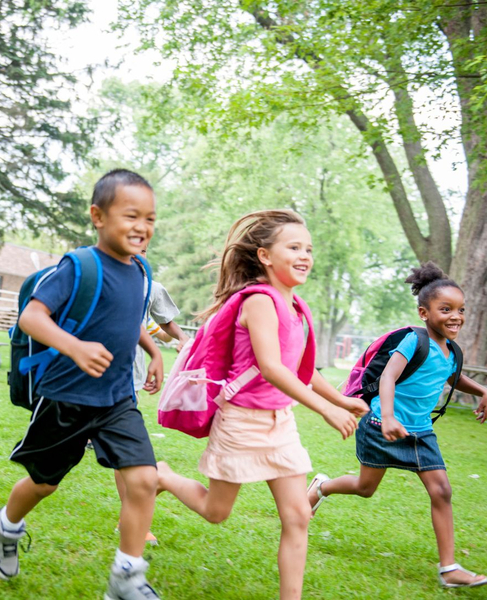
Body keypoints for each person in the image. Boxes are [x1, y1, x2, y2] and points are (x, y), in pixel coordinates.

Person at [156, 209, 368, 600]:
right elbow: (270, 368)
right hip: (241, 422)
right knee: (216, 512)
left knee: (298, 515)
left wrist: (342, 400)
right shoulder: (259, 301)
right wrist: (325, 410)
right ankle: (164, 477)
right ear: (265, 256)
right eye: (294, 247)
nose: (305, 255)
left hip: (280, 424)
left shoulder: (297, 308)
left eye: (308, 248)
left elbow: (300, 370)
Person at [0, 168, 165, 600]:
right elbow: (32, 316)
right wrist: (75, 348)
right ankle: (5, 525)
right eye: (131, 216)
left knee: (143, 479)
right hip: (67, 396)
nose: (142, 227)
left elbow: (128, 317)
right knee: (44, 482)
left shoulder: (141, 271)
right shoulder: (77, 266)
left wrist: (154, 350)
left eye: (151, 219)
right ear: (98, 217)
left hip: (118, 397)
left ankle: (126, 579)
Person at [307, 261, 487, 589]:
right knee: (365, 488)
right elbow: (389, 377)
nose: (456, 316)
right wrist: (389, 417)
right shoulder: (412, 341)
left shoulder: (451, 350)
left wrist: (481, 389)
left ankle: (449, 568)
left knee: (442, 490)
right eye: (445, 309)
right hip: (381, 423)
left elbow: (452, 376)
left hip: (420, 431)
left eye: (461, 310)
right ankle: (321, 487)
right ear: (424, 313)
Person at [116, 248, 190, 545]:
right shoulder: (100, 278)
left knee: (128, 456)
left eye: (144, 246)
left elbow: (165, 322)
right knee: (45, 477)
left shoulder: (152, 288)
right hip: (86, 377)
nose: (138, 248)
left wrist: (184, 341)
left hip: (127, 381)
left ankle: (129, 521)